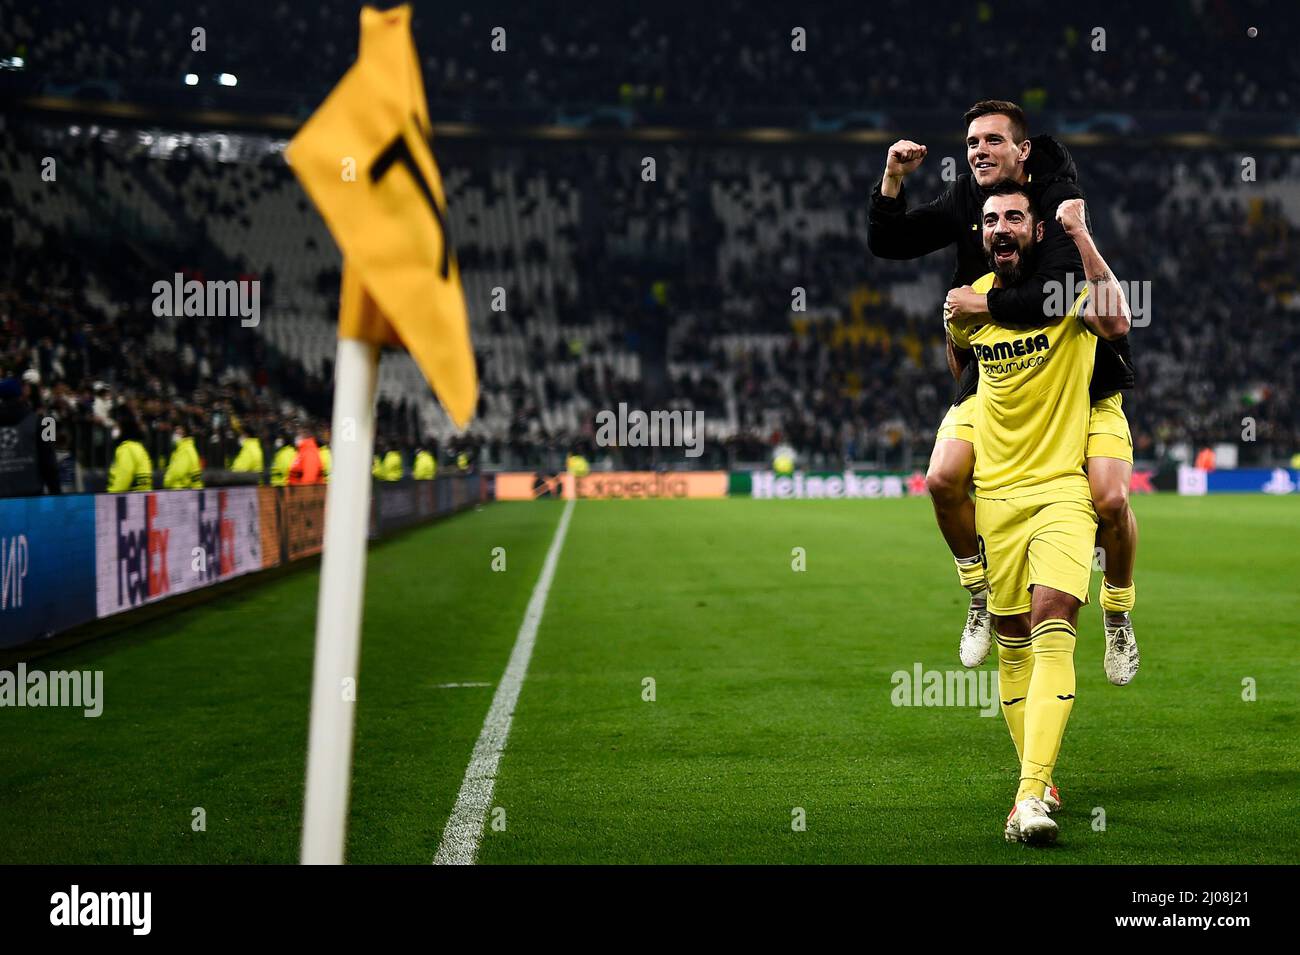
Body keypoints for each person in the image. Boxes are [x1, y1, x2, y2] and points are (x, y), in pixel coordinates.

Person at [868, 99, 1139, 681]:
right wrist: (893, 178)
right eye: (971, 144)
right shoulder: (969, 198)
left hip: (1077, 377)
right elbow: (889, 242)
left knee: (1111, 500)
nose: (980, 152)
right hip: (998, 372)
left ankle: (1118, 616)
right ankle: (979, 592)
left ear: (1023, 151)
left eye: (993, 140)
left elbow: (1052, 299)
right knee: (941, 478)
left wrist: (978, 301)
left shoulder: (1052, 199)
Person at [945, 183, 1131, 844]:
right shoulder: (967, 301)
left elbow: (1118, 324)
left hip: (1059, 488)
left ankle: (1027, 798)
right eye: (991, 217)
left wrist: (1080, 234)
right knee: (1013, 640)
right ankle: (1040, 776)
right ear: (981, 232)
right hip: (997, 493)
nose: (1001, 226)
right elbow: (962, 370)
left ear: (1034, 229)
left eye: (1014, 216)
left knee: (1054, 616)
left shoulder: (1062, 288)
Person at [0, 376, 60, 497]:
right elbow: (49, 462)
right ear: (20, 395)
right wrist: (56, 492)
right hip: (32, 496)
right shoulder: (40, 422)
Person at [106, 406, 153, 493]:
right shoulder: (139, 447)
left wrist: (109, 499)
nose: (113, 427)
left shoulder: (126, 449)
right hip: (141, 500)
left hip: (128, 502)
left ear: (122, 424)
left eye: (115, 424)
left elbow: (121, 484)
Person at [163, 420, 204, 489]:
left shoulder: (184, 449)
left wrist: (167, 482)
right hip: (186, 490)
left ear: (185, 432)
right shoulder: (186, 447)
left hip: (180, 490)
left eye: (178, 429)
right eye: (175, 429)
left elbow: (177, 473)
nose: (176, 432)